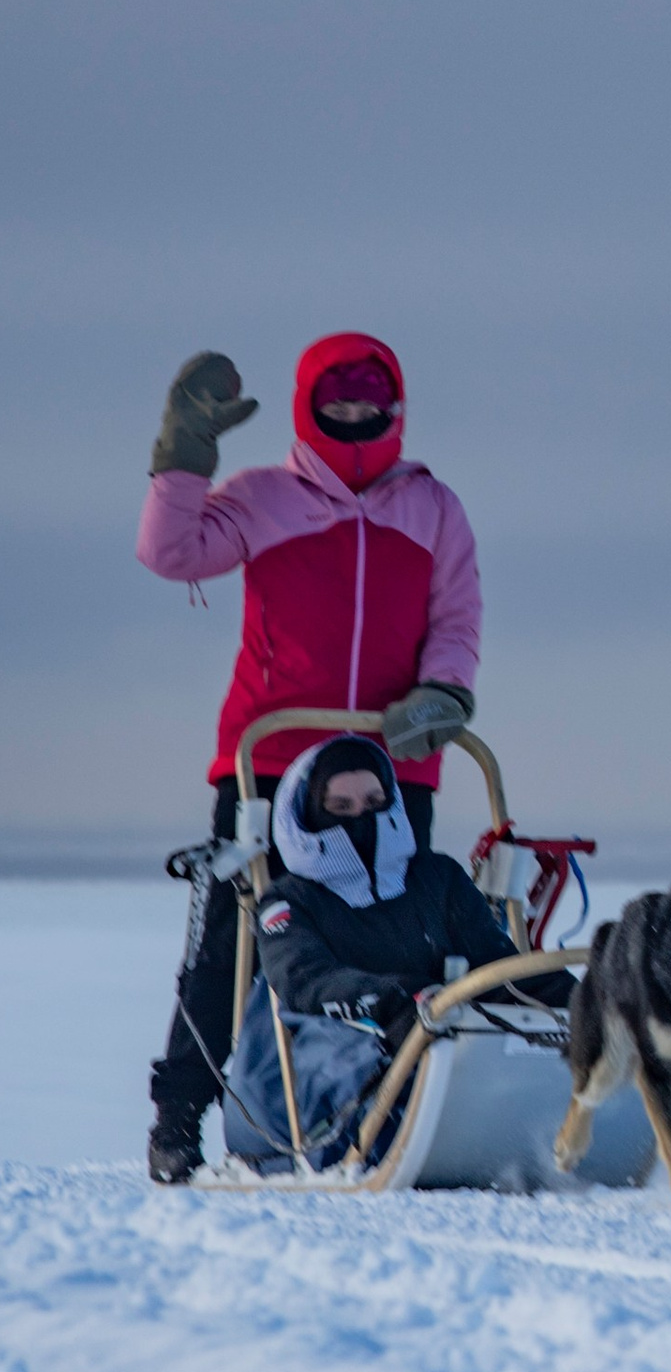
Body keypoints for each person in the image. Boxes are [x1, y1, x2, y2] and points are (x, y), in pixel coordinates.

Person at [138, 335, 482, 1181]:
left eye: (372, 394)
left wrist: (443, 696)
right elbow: (169, 552)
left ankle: (408, 1100)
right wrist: (186, 455)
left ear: (395, 405)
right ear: (309, 404)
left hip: (393, 767)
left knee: (409, 938)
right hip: (270, 758)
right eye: (340, 395)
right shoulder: (263, 497)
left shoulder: (433, 509)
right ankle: (182, 1112)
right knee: (235, 938)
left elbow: (457, 620)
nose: (357, 410)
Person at [222, 735, 569, 1167]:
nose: (361, 818)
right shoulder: (288, 902)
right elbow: (303, 982)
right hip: (318, 1073)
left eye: (374, 801)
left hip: (437, 1044)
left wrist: (580, 999)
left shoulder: (436, 877)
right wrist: (402, 1000)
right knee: (391, 1034)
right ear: (310, 816)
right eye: (340, 808)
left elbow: (496, 968)